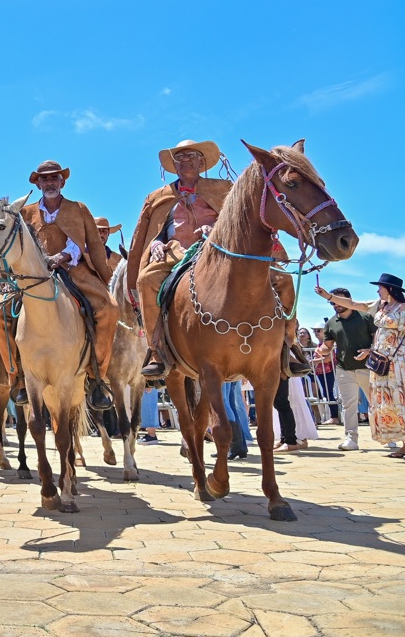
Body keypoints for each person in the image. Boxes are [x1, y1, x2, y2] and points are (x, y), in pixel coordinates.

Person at [129, 140, 306, 382]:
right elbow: (153, 232)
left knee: (282, 279)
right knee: (146, 280)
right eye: (180, 157)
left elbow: (242, 218)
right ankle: (156, 350)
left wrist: (214, 230)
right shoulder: (158, 197)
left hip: (222, 251)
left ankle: (289, 344)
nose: (186, 160)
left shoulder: (224, 188)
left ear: (202, 162)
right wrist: (156, 243)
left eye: (192, 156)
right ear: (174, 165)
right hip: (176, 251)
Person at [21, 160, 117, 411]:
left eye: (54, 178)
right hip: (35, 275)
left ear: (62, 182)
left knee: (108, 308)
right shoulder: (26, 213)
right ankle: (18, 376)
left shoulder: (78, 208)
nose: (50, 182)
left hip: (74, 269)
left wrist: (61, 257)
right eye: (45, 179)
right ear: (38, 184)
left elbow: (82, 241)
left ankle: (97, 376)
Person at [321, 274, 405, 455]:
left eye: (380, 287)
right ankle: (398, 440)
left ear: (390, 289)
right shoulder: (380, 305)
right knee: (387, 403)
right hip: (381, 363)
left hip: (399, 361)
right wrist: (328, 296)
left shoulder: (403, 308)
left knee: (400, 401)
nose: (377, 291)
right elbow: (353, 304)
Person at [315, 286, 377, 450]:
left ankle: (385, 436)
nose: (336, 305)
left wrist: (369, 350)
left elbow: (377, 340)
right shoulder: (330, 323)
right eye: (333, 302)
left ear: (349, 300)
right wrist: (321, 350)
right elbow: (327, 347)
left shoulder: (365, 316)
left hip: (368, 368)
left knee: (376, 403)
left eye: (339, 300)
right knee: (348, 405)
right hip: (343, 368)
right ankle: (351, 439)